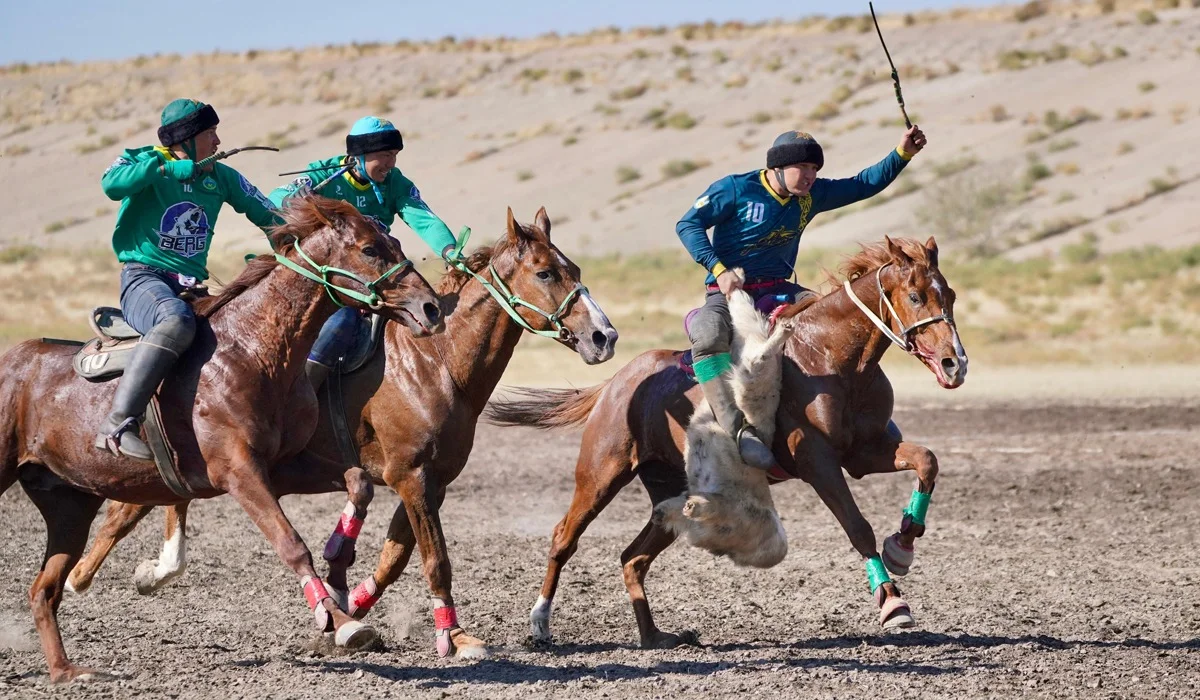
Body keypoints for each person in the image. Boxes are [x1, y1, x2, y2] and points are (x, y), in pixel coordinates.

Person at [676, 125, 927, 470]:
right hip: (733, 292)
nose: (810, 176)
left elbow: (864, 184)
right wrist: (719, 270)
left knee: (838, 319)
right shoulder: (736, 189)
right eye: (803, 169)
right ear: (777, 168)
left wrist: (902, 154)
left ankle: (863, 414)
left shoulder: (811, 196)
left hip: (781, 288)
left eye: (815, 170)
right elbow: (687, 225)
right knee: (707, 334)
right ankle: (737, 430)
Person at [95, 98, 282, 460]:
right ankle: (117, 423)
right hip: (144, 279)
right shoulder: (143, 160)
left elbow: (271, 218)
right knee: (174, 320)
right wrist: (163, 169)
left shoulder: (222, 176)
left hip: (191, 286)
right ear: (185, 139)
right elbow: (112, 186)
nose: (217, 141)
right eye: (209, 133)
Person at [269, 116, 461, 390]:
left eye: (394, 155)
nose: (390, 163)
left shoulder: (395, 183)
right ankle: (299, 396)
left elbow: (424, 219)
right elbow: (276, 199)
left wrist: (449, 250)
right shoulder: (322, 175)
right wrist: (298, 198)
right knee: (342, 322)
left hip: (377, 276)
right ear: (358, 154)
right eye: (384, 155)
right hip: (329, 282)